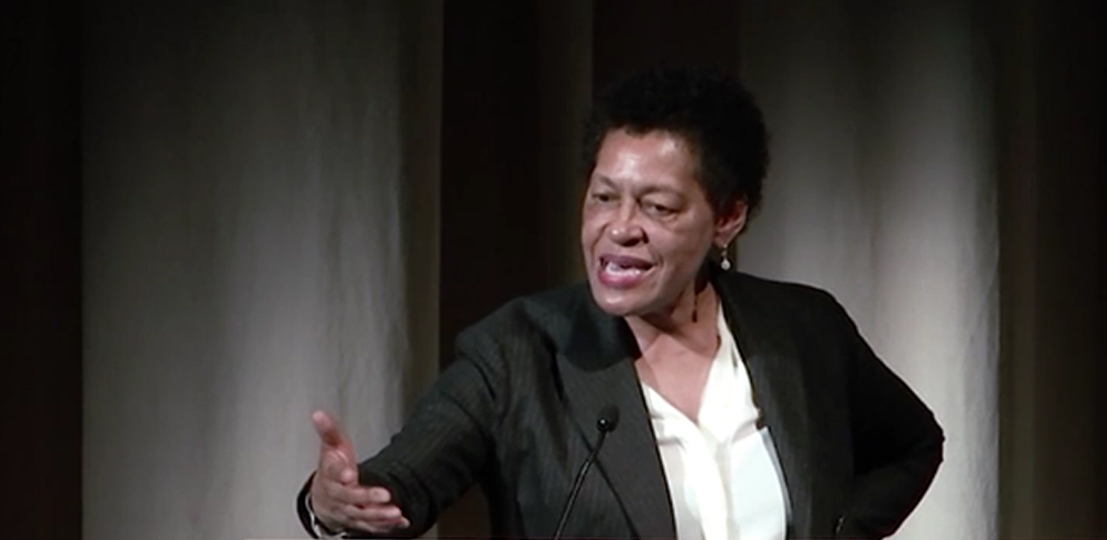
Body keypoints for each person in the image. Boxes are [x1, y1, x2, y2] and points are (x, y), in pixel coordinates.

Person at [296, 66, 943, 540]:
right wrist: (333, 503)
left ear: (728, 216)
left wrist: (842, 531)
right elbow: (402, 483)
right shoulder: (520, 351)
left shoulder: (802, 330)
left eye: (657, 206)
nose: (620, 227)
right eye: (604, 197)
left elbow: (913, 444)